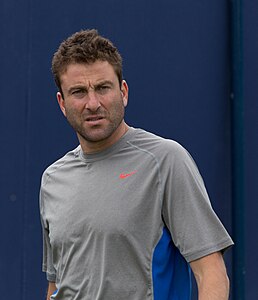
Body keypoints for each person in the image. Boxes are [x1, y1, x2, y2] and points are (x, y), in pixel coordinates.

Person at [40, 29, 234, 300]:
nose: (92, 103)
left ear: (124, 92)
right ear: (62, 103)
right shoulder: (52, 179)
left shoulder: (165, 160)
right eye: (79, 92)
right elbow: (56, 286)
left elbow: (211, 272)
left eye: (103, 88)